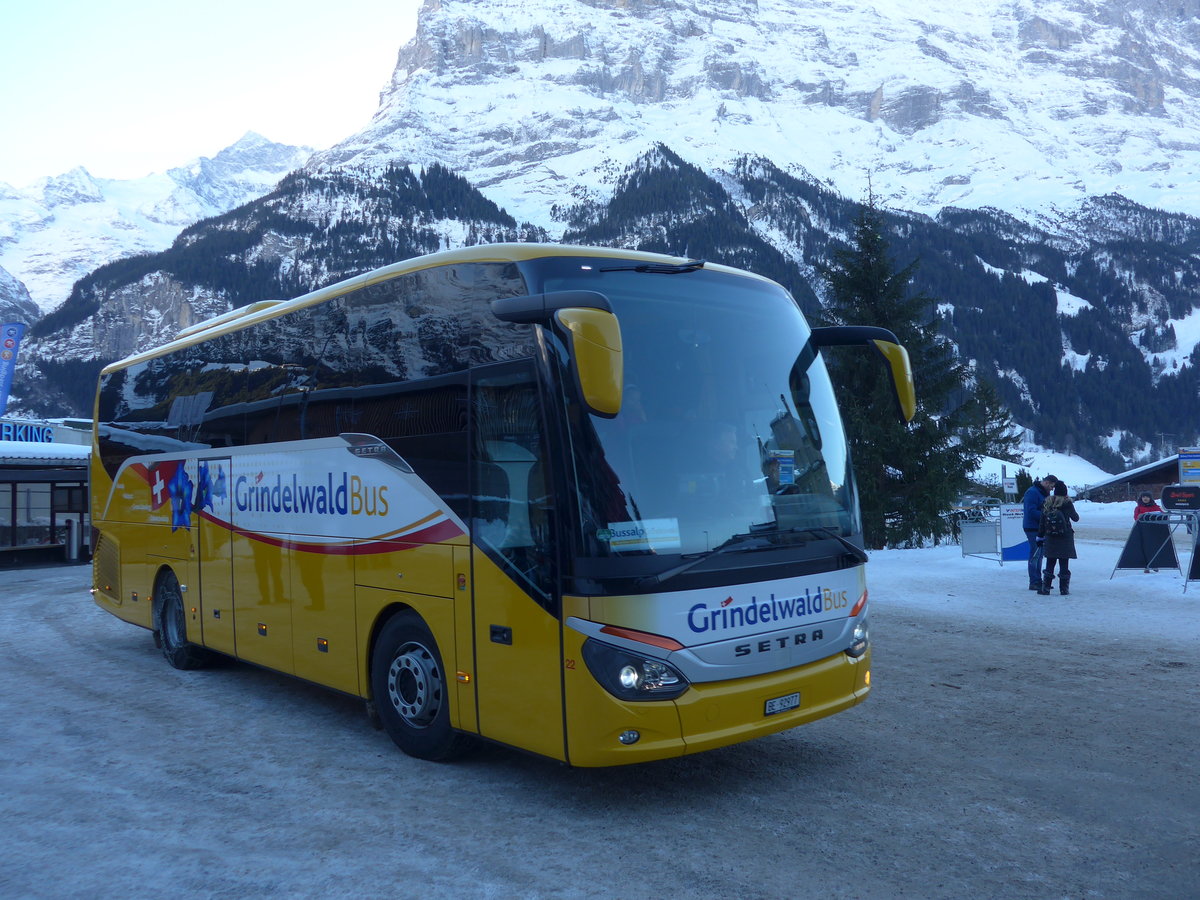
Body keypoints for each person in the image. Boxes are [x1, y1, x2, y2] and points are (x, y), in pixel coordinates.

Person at [1038, 480, 1079, 595]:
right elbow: (1076, 518)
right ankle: (1064, 589)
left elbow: (1042, 522)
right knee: (1064, 562)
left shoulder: (1048, 502)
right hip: (1065, 537)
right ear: (1065, 493)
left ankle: (1046, 588)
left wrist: (1040, 536)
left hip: (1050, 537)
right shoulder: (1067, 503)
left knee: (1050, 562)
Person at [1022, 474, 1057, 591]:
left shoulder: (1043, 493)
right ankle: (1034, 581)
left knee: (1039, 554)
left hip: (1040, 527)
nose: (1052, 489)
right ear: (1047, 483)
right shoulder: (1032, 493)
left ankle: (1038, 580)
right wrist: (1047, 516)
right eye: (1051, 486)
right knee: (1035, 554)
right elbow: (1031, 511)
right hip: (1032, 527)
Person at [1133, 491, 1164, 573]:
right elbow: (1136, 518)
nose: (1145, 498)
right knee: (1145, 549)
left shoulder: (1156, 507)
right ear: (1141, 498)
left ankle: (1155, 564)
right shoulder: (1138, 508)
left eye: (1147, 497)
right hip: (1143, 531)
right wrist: (1140, 516)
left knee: (1155, 548)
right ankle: (1146, 567)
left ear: (1150, 498)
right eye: (1143, 497)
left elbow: (1162, 515)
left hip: (1154, 531)